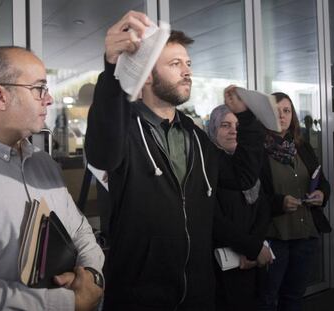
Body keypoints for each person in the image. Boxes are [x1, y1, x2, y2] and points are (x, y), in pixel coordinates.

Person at [85, 11, 271, 310]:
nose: (187, 72)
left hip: (198, 294)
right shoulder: (126, 130)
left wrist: (247, 118)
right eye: (175, 64)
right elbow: (102, 153)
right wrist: (111, 70)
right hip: (139, 296)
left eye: (188, 64)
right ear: (146, 75)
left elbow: (241, 177)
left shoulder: (195, 137)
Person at [0, 46, 105, 311]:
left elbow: (80, 231)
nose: (48, 99)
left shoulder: (45, 164)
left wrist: (90, 276)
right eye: (39, 88)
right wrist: (69, 302)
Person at [258, 92, 331, 311]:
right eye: (275, 111)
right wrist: (278, 203)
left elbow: (322, 181)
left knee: (294, 297)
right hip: (275, 237)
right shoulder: (257, 151)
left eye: (286, 111)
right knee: (267, 298)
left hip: (305, 234)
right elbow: (251, 198)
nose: (281, 115)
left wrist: (321, 195)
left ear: (293, 116)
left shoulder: (302, 147)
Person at [208, 104, 271, 311]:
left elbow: (263, 208)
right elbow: (215, 221)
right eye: (225, 125)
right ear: (213, 129)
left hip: (254, 260)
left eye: (237, 125)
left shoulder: (250, 166)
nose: (233, 130)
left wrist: (256, 247)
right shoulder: (208, 167)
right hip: (223, 266)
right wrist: (250, 248)